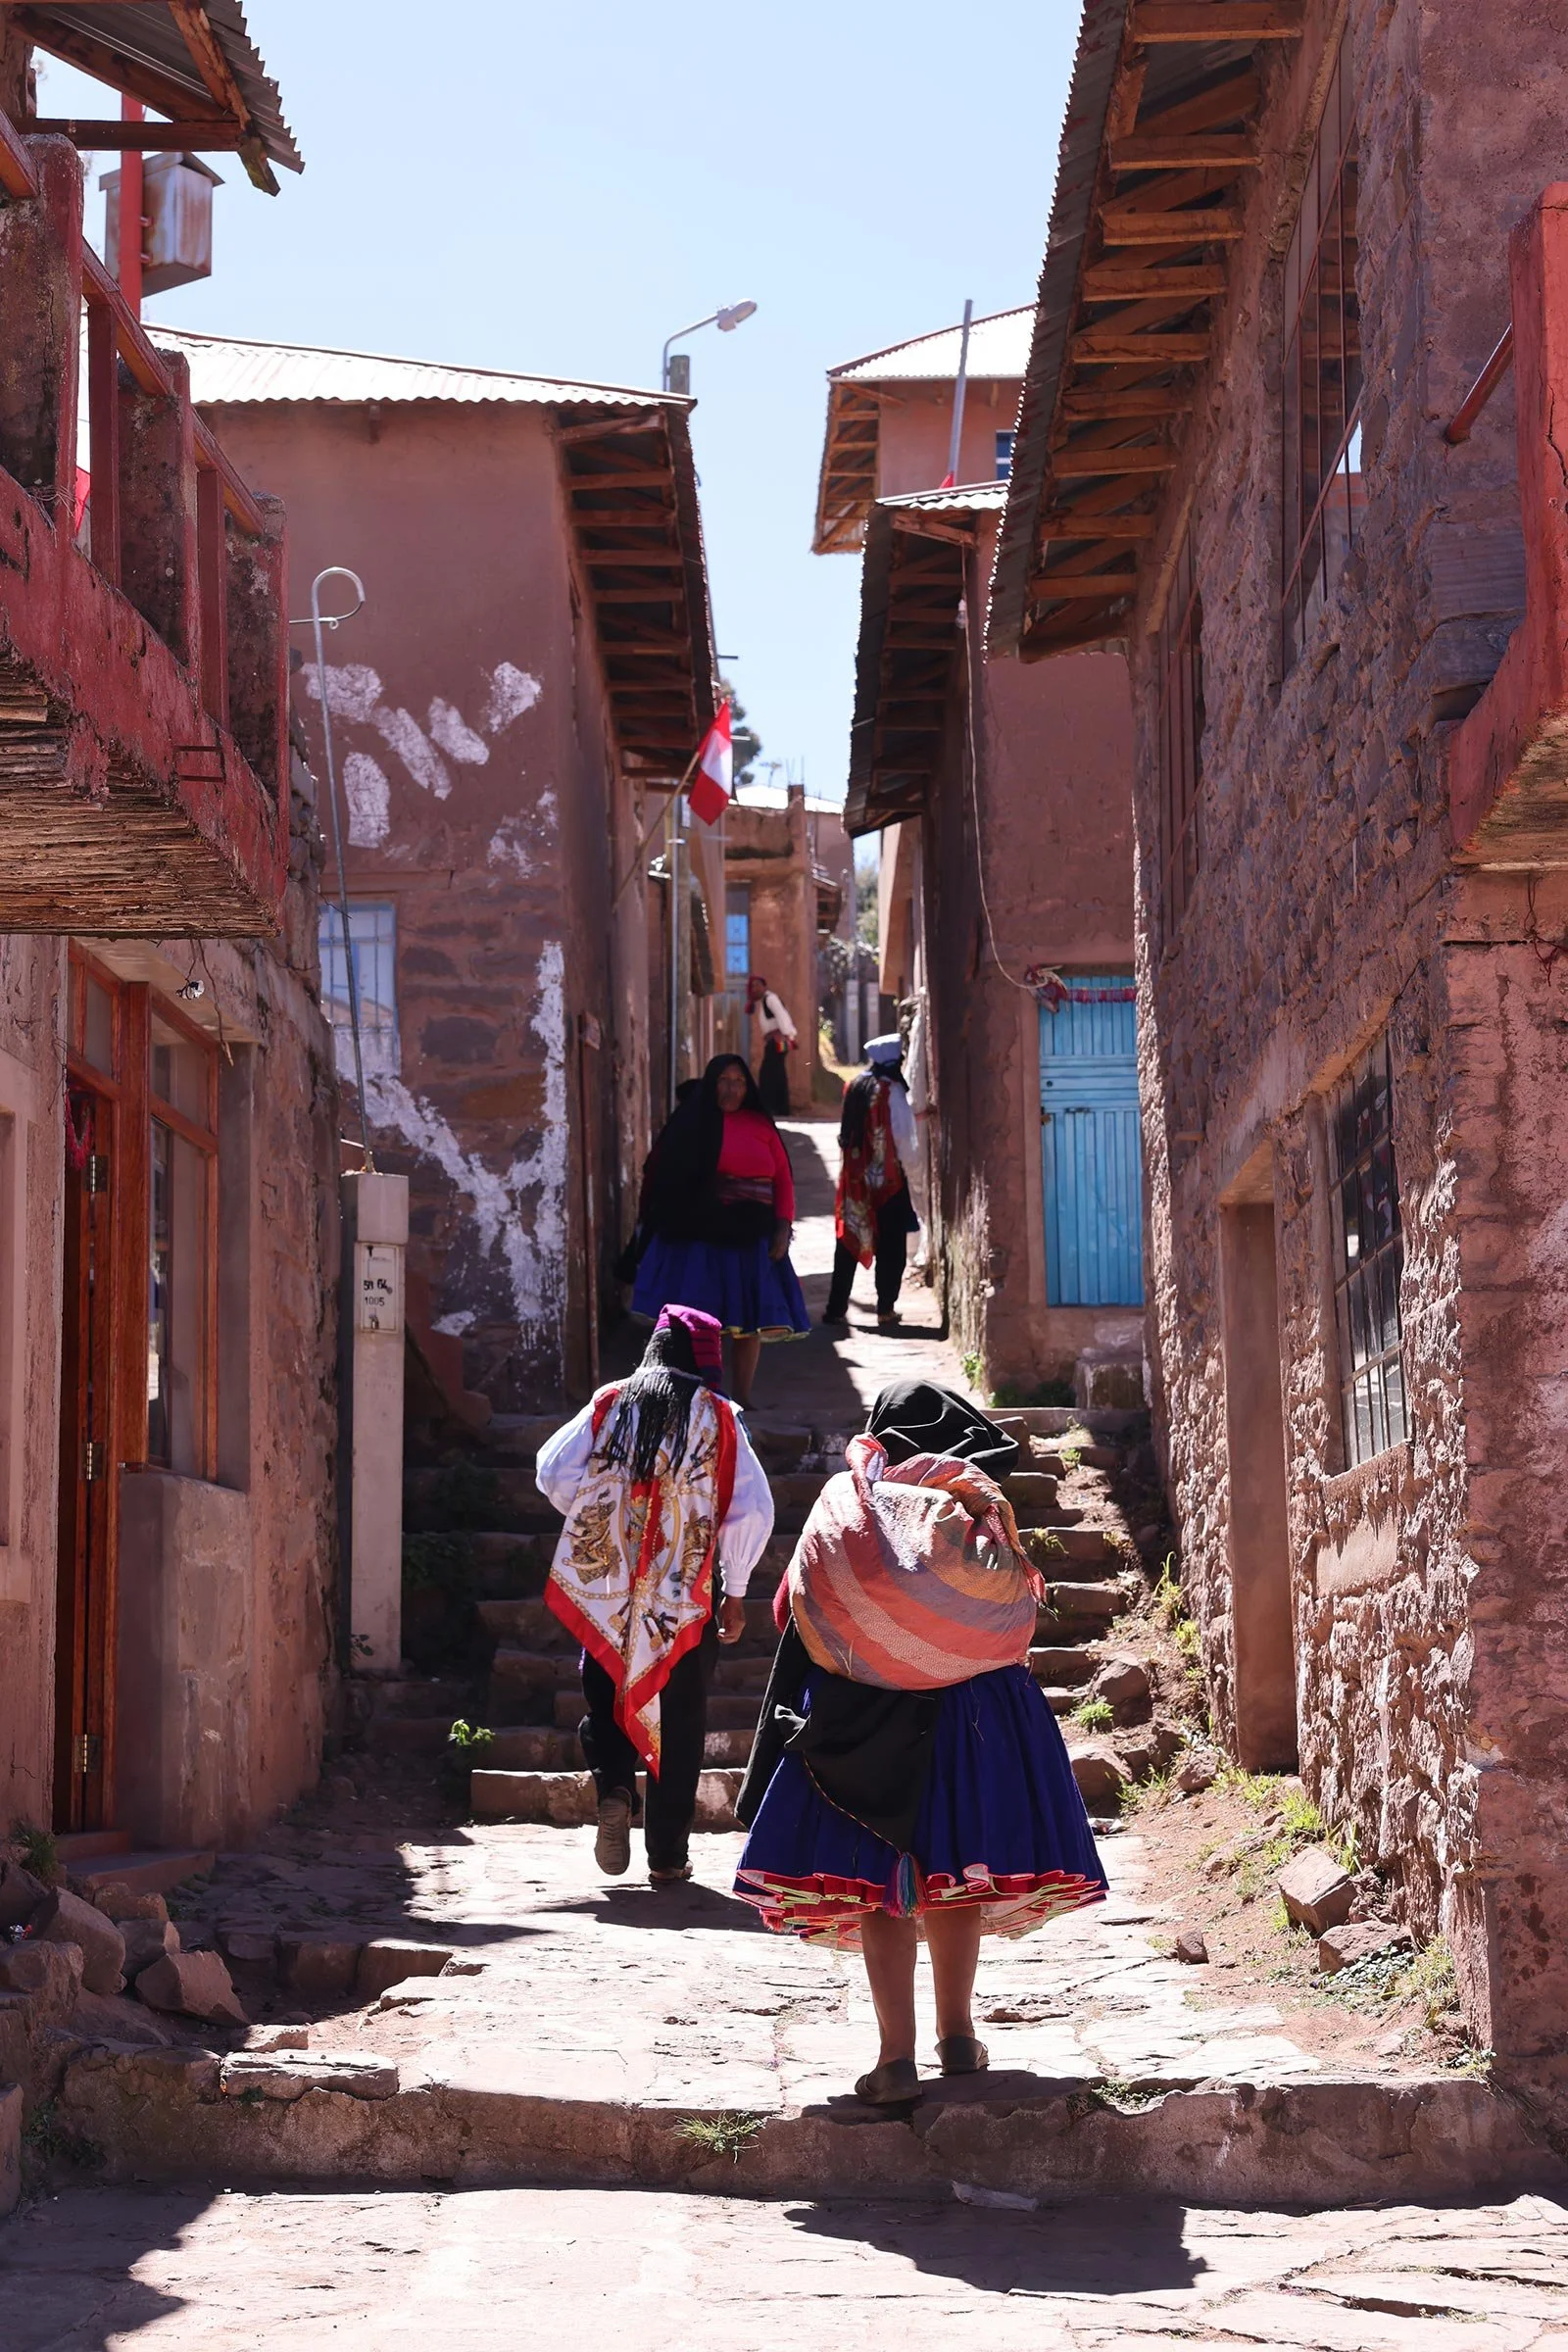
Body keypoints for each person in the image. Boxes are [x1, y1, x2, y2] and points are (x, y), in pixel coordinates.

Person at [733, 1380, 1107, 2107]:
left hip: (865, 1719)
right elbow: (1014, 1603)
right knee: (954, 1873)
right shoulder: (970, 1498)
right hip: (977, 1719)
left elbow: (792, 1608)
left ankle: (895, 2057)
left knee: (883, 1887)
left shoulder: (851, 1500)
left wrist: (876, 1634)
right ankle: (959, 2035)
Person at [537, 1306, 775, 1884]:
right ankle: (667, 1856)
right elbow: (752, 1508)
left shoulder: (611, 1402)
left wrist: (604, 1514)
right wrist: (736, 1590)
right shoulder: (719, 1417)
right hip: (684, 1593)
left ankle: (616, 1783)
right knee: (684, 1716)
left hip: (608, 1584)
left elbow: (552, 1471)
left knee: (605, 1694)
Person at [631, 1053, 809, 1406]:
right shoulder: (692, 1123)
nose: (732, 1088)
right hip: (702, 1236)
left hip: (751, 1235)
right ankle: (697, 1394)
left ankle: (742, 1396)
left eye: (739, 1081)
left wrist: (782, 1226)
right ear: (712, 1083)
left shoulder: (761, 1125)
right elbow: (669, 1178)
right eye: (725, 1081)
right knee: (697, 1321)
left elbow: (783, 1179)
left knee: (750, 1321)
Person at [823, 1034, 921, 1332]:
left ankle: (836, 1308)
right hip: (887, 1181)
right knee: (891, 1245)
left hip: (855, 1180)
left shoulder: (856, 1086)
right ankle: (885, 1309)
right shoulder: (891, 1090)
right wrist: (913, 1173)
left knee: (849, 1240)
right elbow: (903, 1138)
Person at [747, 974, 797, 1117]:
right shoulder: (764, 1001)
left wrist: (787, 1034)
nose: (755, 989)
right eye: (753, 986)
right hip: (775, 1041)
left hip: (778, 1041)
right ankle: (778, 1108)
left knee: (768, 1074)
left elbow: (782, 1016)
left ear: (764, 986)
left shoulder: (770, 999)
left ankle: (771, 1107)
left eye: (757, 985)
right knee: (776, 1073)